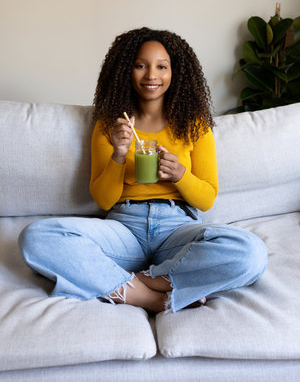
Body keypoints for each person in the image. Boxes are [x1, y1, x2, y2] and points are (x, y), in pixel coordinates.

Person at [18, 27, 268, 313]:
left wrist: (180, 176)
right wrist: (119, 155)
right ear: (126, 70)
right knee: (35, 237)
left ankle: (146, 280)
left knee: (252, 253)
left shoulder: (194, 125)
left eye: (162, 66)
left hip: (178, 228)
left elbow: (207, 198)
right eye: (141, 65)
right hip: (124, 227)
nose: (151, 75)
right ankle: (146, 298)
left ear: (176, 73)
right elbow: (103, 200)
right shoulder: (110, 125)